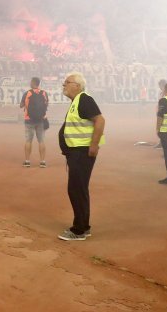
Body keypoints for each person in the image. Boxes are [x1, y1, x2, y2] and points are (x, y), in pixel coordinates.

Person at [58, 72, 105, 241]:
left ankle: (78, 230)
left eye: (67, 82)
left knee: (76, 189)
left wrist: (94, 145)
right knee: (79, 189)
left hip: (82, 152)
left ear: (77, 86)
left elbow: (100, 121)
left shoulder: (84, 99)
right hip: (76, 152)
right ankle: (83, 226)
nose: (63, 85)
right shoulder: (76, 102)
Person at [19, 77, 49, 168]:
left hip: (29, 120)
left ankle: (27, 161)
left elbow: (21, 105)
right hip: (41, 120)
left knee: (28, 141)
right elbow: (46, 104)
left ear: (32, 83)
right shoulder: (44, 93)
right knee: (41, 141)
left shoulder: (27, 93)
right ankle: (42, 162)